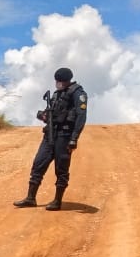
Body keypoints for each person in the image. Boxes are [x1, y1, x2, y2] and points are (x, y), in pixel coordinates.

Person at [14, 67, 88, 211]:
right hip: (50, 135)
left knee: (61, 169)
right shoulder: (56, 94)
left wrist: (74, 138)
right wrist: (44, 115)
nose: (58, 83)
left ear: (67, 80)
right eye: (57, 81)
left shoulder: (78, 93)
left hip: (65, 136)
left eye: (61, 81)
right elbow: (51, 114)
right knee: (38, 164)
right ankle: (30, 198)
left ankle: (57, 201)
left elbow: (81, 116)